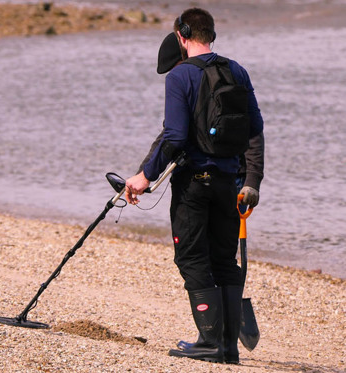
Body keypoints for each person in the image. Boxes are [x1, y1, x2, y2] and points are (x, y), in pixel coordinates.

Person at [125, 8, 264, 364]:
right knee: (224, 261)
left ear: (182, 36)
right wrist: (249, 178)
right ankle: (228, 347)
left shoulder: (180, 76)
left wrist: (145, 176)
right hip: (228, 184)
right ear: (211, 33)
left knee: (191, 257)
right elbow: (254, 127)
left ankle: (208, 340)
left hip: (195, 184)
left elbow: (173, 136)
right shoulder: (237, 70)